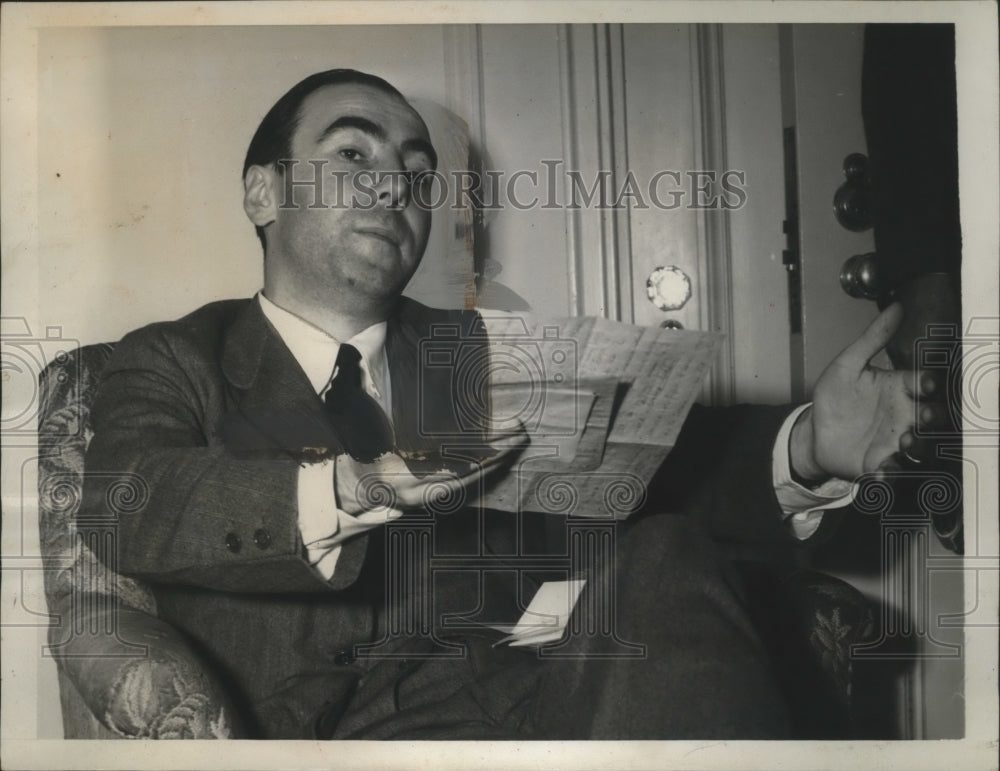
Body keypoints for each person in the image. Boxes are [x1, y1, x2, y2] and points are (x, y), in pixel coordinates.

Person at [81, 68, 939, 740]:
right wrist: (356, 484)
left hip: (538, 697)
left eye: (417, 175)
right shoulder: (171, 357)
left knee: (668, 547)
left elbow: (663, 473)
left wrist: (810, 447)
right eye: (353, 156)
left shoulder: (473, 353)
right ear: (261, 192)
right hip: (308, 733)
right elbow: (126, 505)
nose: (395, 189)